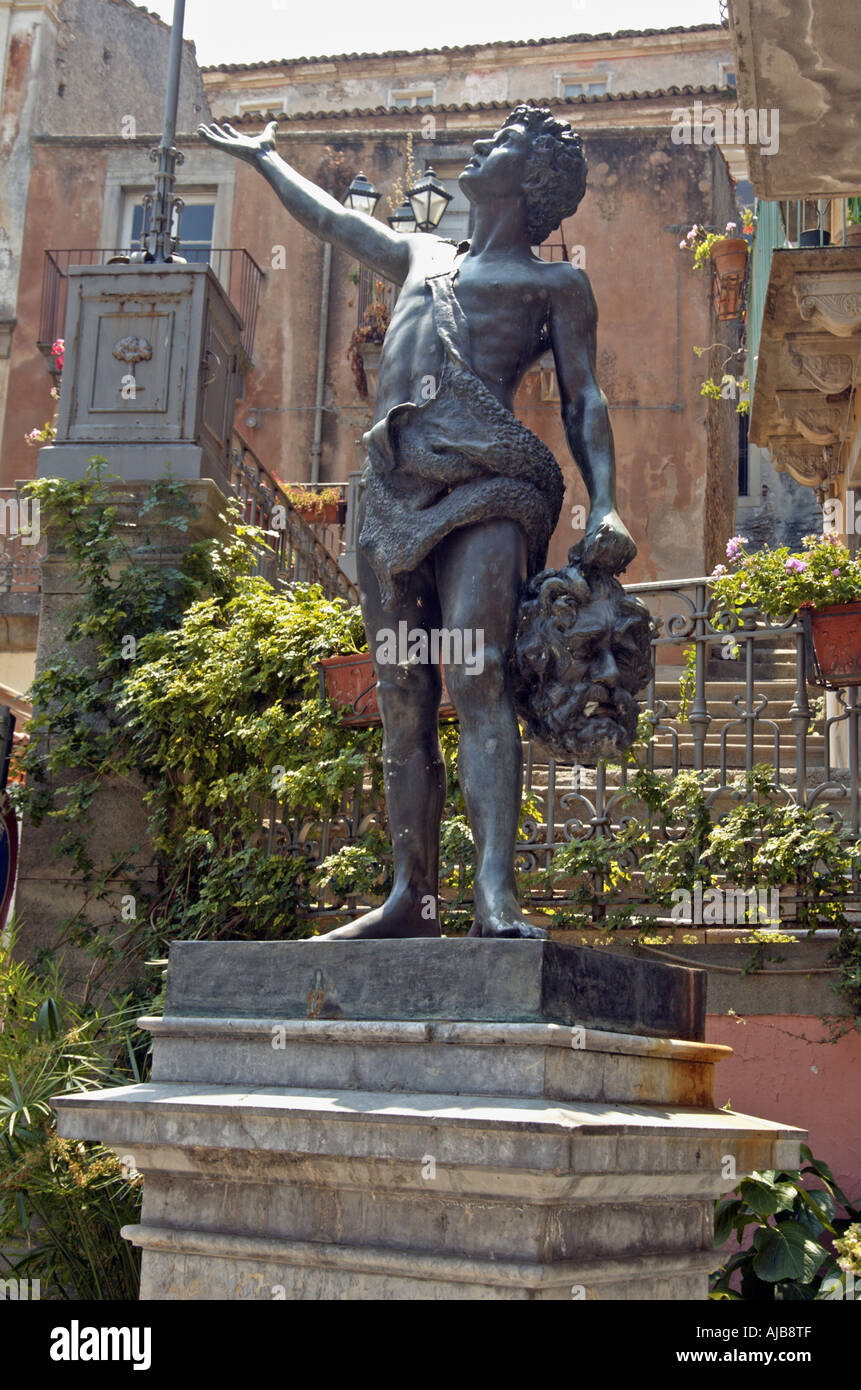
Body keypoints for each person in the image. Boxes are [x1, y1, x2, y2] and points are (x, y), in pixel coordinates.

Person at [200, 104, 637, 939]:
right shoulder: (421, 254)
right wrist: (264, 158)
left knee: (473, 678)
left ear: (534, 179)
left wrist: (606, 499)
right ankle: (411, 895)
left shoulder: (553, 285)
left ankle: (494, 899)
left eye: (502, 144)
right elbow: (330, 219)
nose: (482, 147)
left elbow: (585, 399)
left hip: (491, 485)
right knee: (402, 693)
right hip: (394, 493)